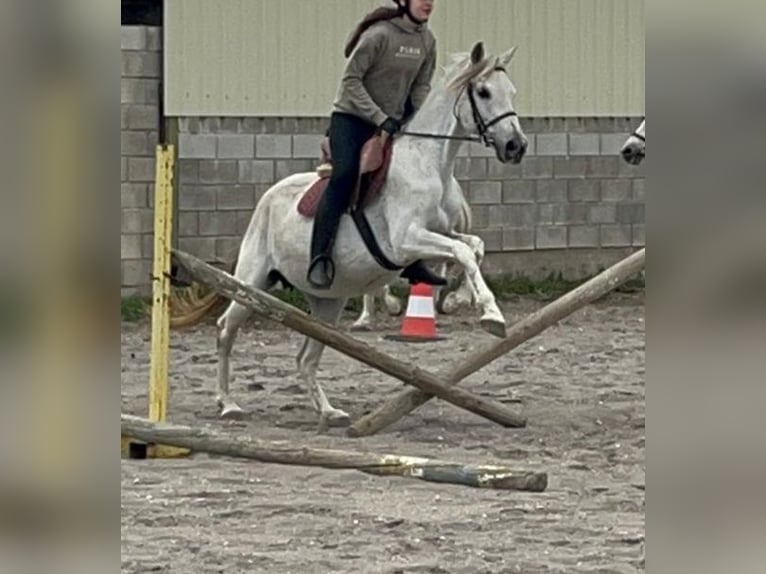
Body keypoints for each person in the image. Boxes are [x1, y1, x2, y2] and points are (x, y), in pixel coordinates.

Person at [307, 0, 447, 290]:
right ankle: (319, 257)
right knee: (344, 176)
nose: (429, 3)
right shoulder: (379, 35)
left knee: (403, 184)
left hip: (392, 123)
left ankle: (412, 261)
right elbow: (351, 82)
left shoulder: (427, 40)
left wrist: (418, 118)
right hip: (352, 120)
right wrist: (380, 117)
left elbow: (421, 86)